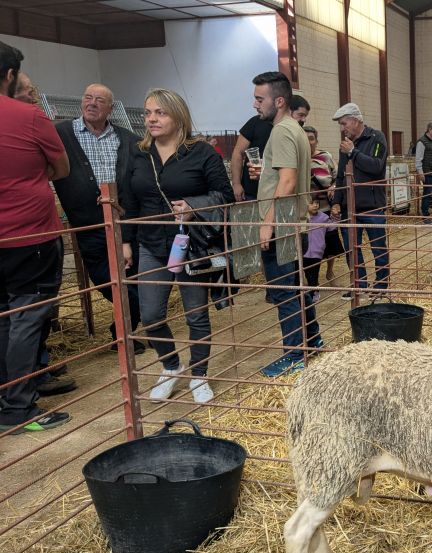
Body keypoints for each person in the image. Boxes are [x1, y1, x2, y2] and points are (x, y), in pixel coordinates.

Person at [125, 88, 233, 402]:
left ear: (178, 116)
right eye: (148, 113)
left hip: (191, 245)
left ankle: (199, 375)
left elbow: (225, 196)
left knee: (195, 315)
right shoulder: (138, 154)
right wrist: (126, 241)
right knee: (151, 315)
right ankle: (171, 366)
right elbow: (129, 200)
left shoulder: (201, 153)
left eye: (160, 112)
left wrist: (193, 205)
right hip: (150, 244)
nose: (152, 119)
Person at [0, 41, 72, 433]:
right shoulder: (29, 116)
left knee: (3, 318)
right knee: (27, 318)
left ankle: (5, 397)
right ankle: (19, 408)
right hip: (29, 235)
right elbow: (61, 169)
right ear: (10, 75)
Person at [53, 83, 146, 360]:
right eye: (88, 97)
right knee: (107, 280)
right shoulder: (61, 134)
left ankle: (123, 333)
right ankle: (131, 324)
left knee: (133, 278)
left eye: (100, 100)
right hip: (89, 225)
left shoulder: (128, 139)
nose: (92, 103)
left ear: (111, 108)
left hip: (125, 222)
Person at [246, 72, 322, 377]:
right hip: (294, 223)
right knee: (297, 287)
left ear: (278, 101)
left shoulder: (280, 132)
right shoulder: (295, 129)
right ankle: (313, 340)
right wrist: (266, 172)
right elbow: (285, 174)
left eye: (259, 99)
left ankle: (294, 356)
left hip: (282, 226)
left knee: (284, 292)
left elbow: (288, 182)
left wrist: (268, 222)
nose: (255, 104)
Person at [330, 102, 389, 297]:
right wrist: (336, 201)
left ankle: (381, 285)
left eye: (344, 123)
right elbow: (341, 175)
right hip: (349, 207)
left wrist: (353, 153)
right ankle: (359, 284)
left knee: (378, 247)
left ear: (355, 121)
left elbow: (376, 166)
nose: (342, 128)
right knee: (352, 249)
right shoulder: (345, 145)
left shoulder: (377, 138)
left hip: (372, 206)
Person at [303, 125, 342, 282]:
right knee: (312, 245)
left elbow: (338, 177)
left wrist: (334, 186)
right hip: (308, 209)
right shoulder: (297, 158)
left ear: (316, 141)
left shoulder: (326, 157)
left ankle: (330, 271)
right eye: (305, 138)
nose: (308, 142)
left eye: (311, 138)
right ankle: (312, 277)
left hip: (326, 206)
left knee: (331, 242)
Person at [413, 121, 432, 221]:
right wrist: (421, 173)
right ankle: (425, 215)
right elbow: (418, 159)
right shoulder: (421, 142)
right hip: (427, 172)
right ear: (430, 130)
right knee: (427, 193)